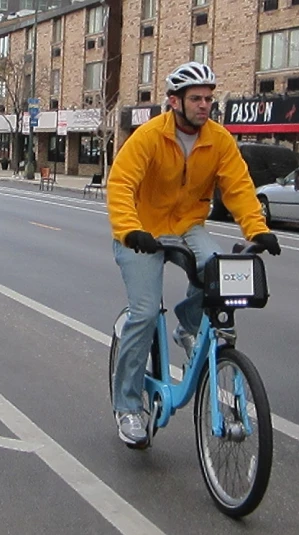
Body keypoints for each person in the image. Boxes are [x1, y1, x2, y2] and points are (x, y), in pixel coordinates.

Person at [106, 62, 281, 446]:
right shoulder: (149, 137)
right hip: (141, 229)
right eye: (196, 99)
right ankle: (128, 407)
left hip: (187, 225)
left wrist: (258, 230)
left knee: (219, 269)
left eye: (208, 99)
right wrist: (130, 229)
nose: (204, 105)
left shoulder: (218, 140)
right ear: (175, 102)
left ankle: (188, 325)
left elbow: (239, 188)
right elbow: (120, 184)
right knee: (145, 312)